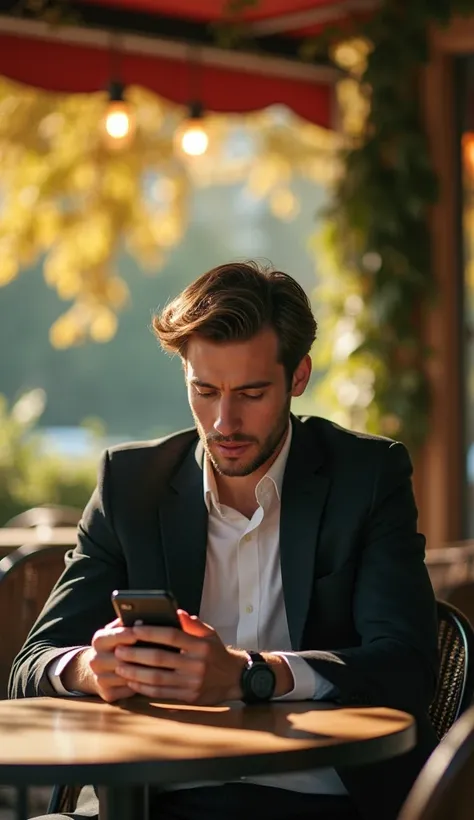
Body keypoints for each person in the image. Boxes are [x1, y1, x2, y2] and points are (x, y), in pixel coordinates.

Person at [9, 261, 438, 820]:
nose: (223, 422)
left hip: (316, 799)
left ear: (298, 376)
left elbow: (407, 667)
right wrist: (94, 668)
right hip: (151, 800)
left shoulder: (367, 477)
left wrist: (250, 674)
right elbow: (30, 666)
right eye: (205, 391)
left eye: (252, 393)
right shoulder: (129, 484)